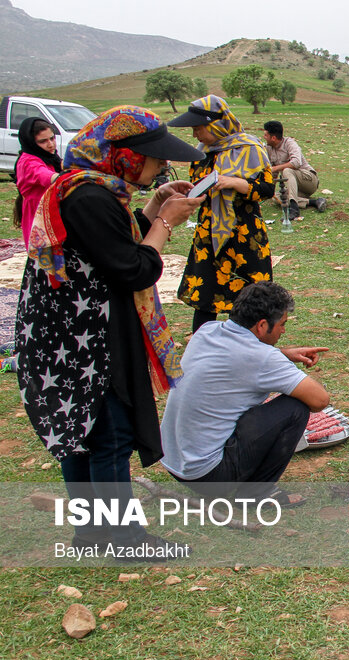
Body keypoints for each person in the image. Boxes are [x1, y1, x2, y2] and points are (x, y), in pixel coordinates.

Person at [15, 105, 205, 559]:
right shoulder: (90, 197)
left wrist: (152, 207)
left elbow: (109, 247)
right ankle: (124, 540)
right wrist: (164, 223)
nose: (161, 168)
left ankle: (91, 533)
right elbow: (133, 268)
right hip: (89, 339)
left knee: (82, 436)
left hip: (68, 333)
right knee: (109, 434)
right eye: (155, 160)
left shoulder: (89, 189)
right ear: (123, 156)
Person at [159, 281, 329, 505]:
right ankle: (255, 494)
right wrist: (277, 359)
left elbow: (239, 359)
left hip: (174, 463)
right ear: (261, 326)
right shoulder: (263, 358)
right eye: (281, 324)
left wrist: (285, 354)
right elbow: (320, 400)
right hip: (208, 477)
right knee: (294, 408)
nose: (284, 331)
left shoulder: (207, 331)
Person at [168, 95, 275, 334]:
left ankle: (251, 347)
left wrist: (236, 183)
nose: (195, 134)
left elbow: (267, 189)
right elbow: (201, 184)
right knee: (207, 293)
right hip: (210, 236)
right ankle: (203, 346)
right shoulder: (203, 152)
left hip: (244, 236)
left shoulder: (250, 148)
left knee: (252, 296)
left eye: (198, 128)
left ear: (216, 125)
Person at [262, 120, 327, 219]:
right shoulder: (269, 149)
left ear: (273, 138)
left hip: (308, 180)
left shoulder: (290, 143)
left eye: (266, 135)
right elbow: (273, 173)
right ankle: (314, 202)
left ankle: (294, 209)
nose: (264, 138)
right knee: (278, 197)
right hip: (295, 187)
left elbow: (296, 163)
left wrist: (274, 168)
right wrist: (269, 191)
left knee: (286, 170)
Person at [13, 117, 62, 246]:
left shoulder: (50, 158)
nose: (51, 144)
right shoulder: (28, 162)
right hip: (38, 218)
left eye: (52, 138)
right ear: (31, 143)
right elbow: (46, 176)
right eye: (43, 141)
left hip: (50, 213)